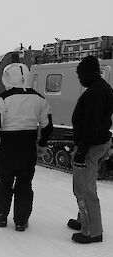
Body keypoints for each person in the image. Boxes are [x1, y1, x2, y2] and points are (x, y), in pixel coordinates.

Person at [0, 63, 53, 231]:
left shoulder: (3, 98)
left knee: (4, 182)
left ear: (7, 78)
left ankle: (0, 216)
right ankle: (21, 221)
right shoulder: (40, 98)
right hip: (28, 146)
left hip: (9, 147)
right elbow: (47, 125)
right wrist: (42, 144)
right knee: (25, 184)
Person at [68, 56, 113, 244]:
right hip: (100, 142)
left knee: (85, 189)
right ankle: (84, 220)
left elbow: (91, 124)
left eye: (80, 75)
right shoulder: (103, 88)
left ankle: (92, 232)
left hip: (91, 146)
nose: (79, 78)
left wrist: (81, 151)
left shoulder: (95, 92)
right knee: (83, 186)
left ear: (88, 73)